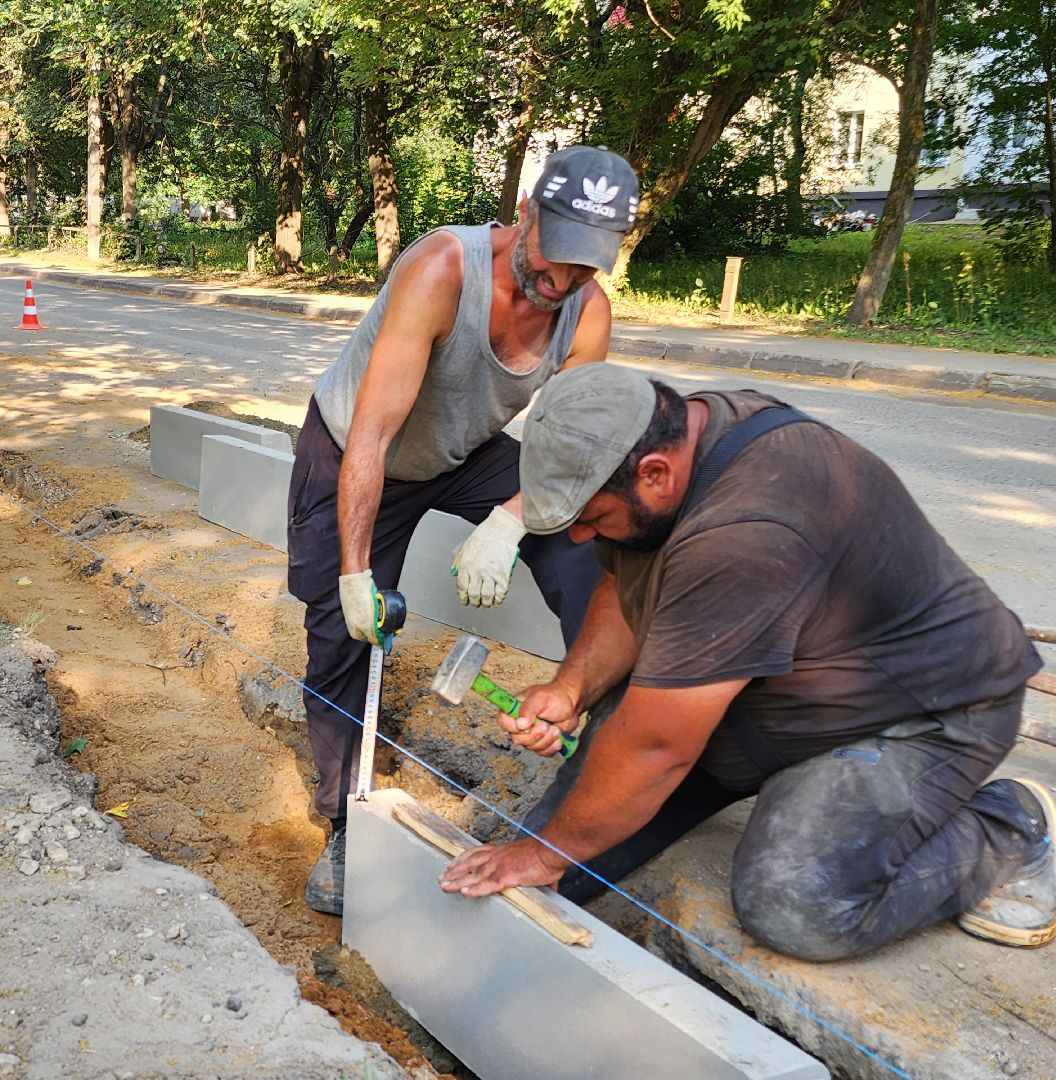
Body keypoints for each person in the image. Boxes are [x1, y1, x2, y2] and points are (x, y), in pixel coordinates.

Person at [437, 363, 1050, 959]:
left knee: (797, 905)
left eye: (592, 519)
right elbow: (623, 590)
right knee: (563, 868)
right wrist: (571, 687)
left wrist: (544, 854)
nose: (579, 538)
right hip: (770, 693)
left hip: (915, 715)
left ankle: (1013, 823)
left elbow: (654, 748)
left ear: (654, 474)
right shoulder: (669, 438)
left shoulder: (752, 523)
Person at [288, 146, 642, 915]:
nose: (565, 280)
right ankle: (345, 819)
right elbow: (374, 438)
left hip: (463, 449)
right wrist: (356, 574)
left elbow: (572, 450)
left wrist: (513, 519)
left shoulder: (587, 312)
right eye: (557, 253)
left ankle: (613, 722)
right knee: (340, 634)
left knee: (589, 531)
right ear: (525, 214)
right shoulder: (444, 270)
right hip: (355, 447)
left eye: (587, 264)